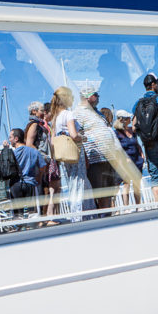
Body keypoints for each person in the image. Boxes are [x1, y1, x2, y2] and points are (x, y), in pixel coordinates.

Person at [50, 85, 93, 218]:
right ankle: (79, 215)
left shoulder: (55, 117)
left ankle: (79, 214)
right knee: (79, 183)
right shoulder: (68, 114)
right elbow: (74, 135)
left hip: (64, 155)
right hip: (75, 152)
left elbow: (52, 140)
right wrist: (83, 137)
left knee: (72, 183)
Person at [76, 86, 118, 214]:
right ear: (89, 97)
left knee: (108, 191)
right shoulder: (78, 113)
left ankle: (107, 216)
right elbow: (77, 135)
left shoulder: (99, 113)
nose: (98, 97)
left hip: (108, 158)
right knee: (98, 191)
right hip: (94, 160)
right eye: (96, 95)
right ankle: (99, 218)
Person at [132, 73, 158, 204]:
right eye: (157, 83)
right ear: (153, 85)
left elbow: (133, 127)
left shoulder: (138, 103)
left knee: (155, 177)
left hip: (148, 144)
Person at [6, 127, 45, 214]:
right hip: (29, 183)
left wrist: (5, 150)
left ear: (16, 139)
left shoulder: (12, 154)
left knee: (19, 213)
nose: (9, 140)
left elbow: (6, 169)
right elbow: (42, 166)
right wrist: (38, 178)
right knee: (29, 212)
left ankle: (22, 226)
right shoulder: (34, 151)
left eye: (10, 138)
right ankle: (29, 226)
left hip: (15, 184)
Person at [114, 109, 144, 206]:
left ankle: (138, 205)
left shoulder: (132, 130)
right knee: (126, 185)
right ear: (122, 120)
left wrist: (141, 153)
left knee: (136, 185)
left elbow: (137, 144)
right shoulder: (117, 133)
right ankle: (126, 207)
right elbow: (117, 149)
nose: (130, 119)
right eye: (128, 118)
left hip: (137, 160)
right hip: (126, 162)